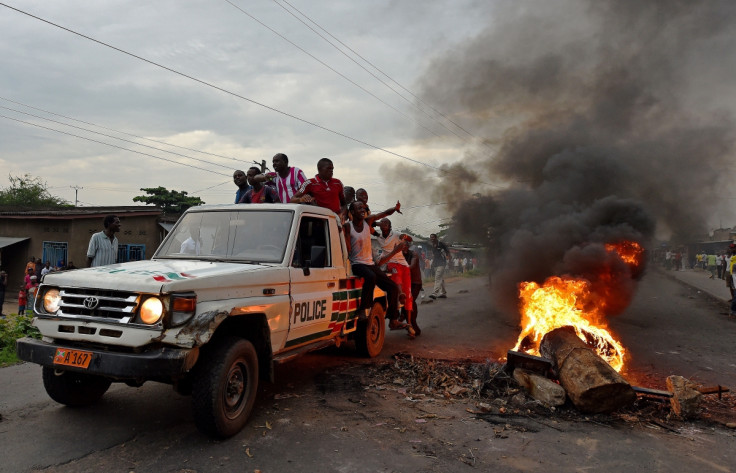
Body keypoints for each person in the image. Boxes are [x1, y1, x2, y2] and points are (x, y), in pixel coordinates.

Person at [344, 201, 412, 335]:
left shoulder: (367, 222)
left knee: (392, 287)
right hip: (356, 263)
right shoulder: (348, 227)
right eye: (359, 208)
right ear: (352, 211)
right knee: (371, 276)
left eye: (363, 208)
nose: (363, 210)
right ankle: (363, 309)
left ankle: (393, 320)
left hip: (369, 263)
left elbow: (384, 214)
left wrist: (395, 208)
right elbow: (347, 248)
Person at [376, 218, 413, 327]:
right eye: (382, 222)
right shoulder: (378, 236)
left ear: (390, 226)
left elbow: (408, 238)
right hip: (391, 262)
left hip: (403, 264)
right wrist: (378, 223)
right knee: (395, 274)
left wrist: (405, 237)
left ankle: (409, 323)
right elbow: (370, 223)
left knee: (408, 294)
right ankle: (400, 293)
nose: (384, 224)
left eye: (386, 222)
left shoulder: (396, 234)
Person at [402, 237, 423, 336]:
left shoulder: (414, 254)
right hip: (406, 282)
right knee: (405, 302)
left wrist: (402, 268)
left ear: (407, 246)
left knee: (410, 302)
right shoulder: (400, 255)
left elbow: (412, 265)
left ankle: (413, 325)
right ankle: (408, 322)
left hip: (415, 283)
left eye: (403, 245)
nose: (401, 247)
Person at [428, 233, 450, 299]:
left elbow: (447, 250)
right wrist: (432, 263)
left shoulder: (441, 243)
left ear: (436, 237)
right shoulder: (432, 245)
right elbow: (434, 255)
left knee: (437, 277)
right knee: (441, 279)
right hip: (436, 263)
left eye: (433, 237)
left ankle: (434, 293)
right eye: (431, 237)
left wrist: (448, 257)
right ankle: (443, 293)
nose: (432, 239)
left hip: (442, 263)